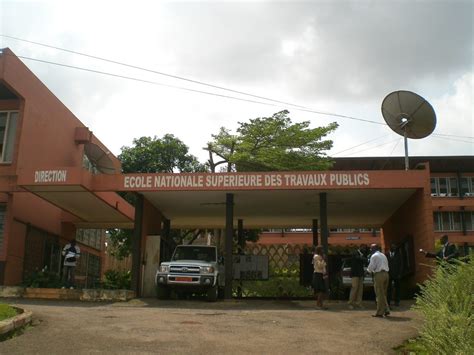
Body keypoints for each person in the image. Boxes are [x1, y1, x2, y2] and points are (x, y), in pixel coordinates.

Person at [367, 244, 390, 318]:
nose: (370, 250)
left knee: (379, 294)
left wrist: (367, 271)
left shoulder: (374, 256)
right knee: (383, 293)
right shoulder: (383, 255)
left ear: (373, 249)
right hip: (386, 274)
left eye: (371, 248)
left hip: (379, 275)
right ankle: (386, 309)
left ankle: (380, 312)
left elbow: (371, 267)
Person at [347, 244, 367, 309]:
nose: (364, 249)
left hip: (361, 274)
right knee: (354, 288)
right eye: (363, 248)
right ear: (360, 247)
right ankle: (350, 303)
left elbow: (364, 260)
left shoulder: (362, 254)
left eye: (365, 248)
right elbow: (359, 258)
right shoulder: (355, 253)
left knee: (360, 289)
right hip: (355, 274)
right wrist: (365, 258)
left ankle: (359, 303)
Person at [386, 243, 402, 307]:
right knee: (388, 289)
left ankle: (397, 301)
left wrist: (400, 273)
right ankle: (388, 302)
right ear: (390, 247)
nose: (394, 248)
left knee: (397, 288)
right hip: (389, 274)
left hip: (396, 274)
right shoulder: (386, 255)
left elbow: (401, 264)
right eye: (393, 247)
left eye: (395, 247)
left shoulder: (398, 255)